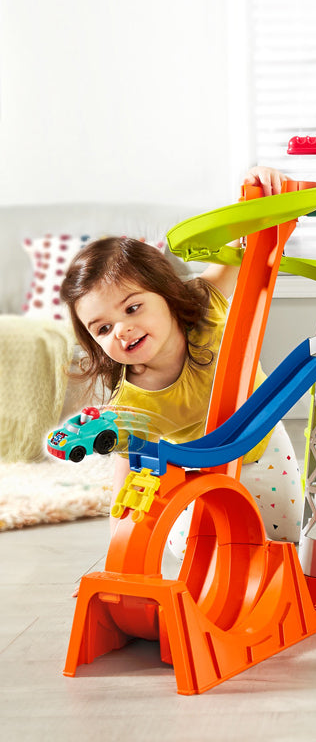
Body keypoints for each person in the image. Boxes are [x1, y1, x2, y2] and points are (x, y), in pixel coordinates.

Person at [60, 166, 302, 562]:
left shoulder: (204, 301)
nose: (122, 330)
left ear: (168, 294)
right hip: (198, 474)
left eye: (132, 308)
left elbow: (247, 244)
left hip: (264, 446)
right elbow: (126, 482)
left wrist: (256, 188)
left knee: (286, 541)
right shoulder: (132, 403)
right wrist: (117, 554)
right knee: (199, 551)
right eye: (103, 328)